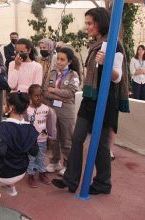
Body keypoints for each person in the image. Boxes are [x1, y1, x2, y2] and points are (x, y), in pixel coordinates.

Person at [52, 7, 130, 195]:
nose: (86, 27)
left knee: (101, 144)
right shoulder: (95, 44)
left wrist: (106, 63)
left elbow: (117, 77)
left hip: (105, 100)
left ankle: (103, 183)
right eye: (86, 23)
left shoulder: (114, 45)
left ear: (100, 22)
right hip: (89, 99)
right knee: (77, 137)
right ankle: (71, 180)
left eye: (89, 23)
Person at [0, 92, 39, 200]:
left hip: (2, 174)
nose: (4, 106)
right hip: (21, 171)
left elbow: (0, 151)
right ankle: (10, 187)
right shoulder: (31, 129)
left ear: (11, 108)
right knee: (13, 155)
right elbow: (34, 151)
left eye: (5, 104)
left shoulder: (2, 127)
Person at [43, 47, 80, 176]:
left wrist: (54, 91)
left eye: (62, 59)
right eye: (58, 58)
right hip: (52, 108)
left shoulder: (73, 75)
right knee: (53, 137)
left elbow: (70, 93)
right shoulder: (52, 72)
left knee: (67, 139)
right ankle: (54, 161)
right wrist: (59, 96)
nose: (59, 61)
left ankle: (67, 164)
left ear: (69, 61)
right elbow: (45, 91)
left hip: (66, 112)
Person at [25, 84, 57, 188]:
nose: (39, 98)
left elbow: (50, 124)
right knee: (31, 158)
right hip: (31, 141)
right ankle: (31, 176)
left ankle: (42, 174)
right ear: (30, 96)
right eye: (35, 96)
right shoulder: (26, 110)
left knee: (41, 157)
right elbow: (24, 125)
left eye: (40, 95)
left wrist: (51, 137)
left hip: (42, 139)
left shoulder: (47, 109)